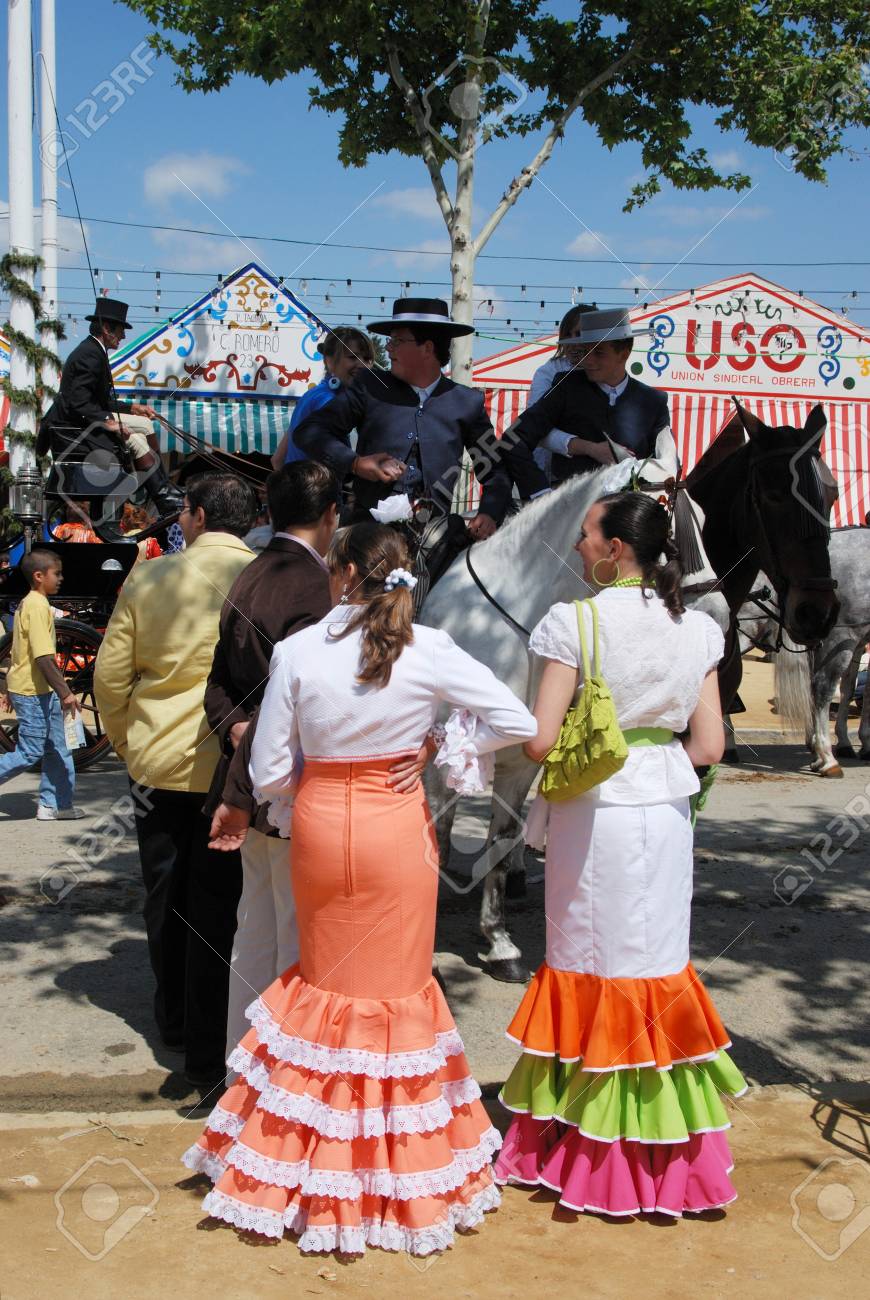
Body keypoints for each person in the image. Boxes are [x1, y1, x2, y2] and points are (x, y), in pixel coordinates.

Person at [184, 522, 538, 1256]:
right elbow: (518, 720)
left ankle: (302, 1169)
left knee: (321, 986)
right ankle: (393, 1177)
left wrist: (320, 777)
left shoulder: (298, 651)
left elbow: (273, 771)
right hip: (396, 828)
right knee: (396, 991)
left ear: (342, 572)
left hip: (319, 825)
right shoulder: (428, 647)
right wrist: (440, 743)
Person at [493, 491, 746, 1216]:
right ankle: (668, 1158)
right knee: (655, 963)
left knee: (588, 962)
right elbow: (709, 747)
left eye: (584, 535)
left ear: (613, 549)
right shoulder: (698, 630)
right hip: (665, 807)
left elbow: (540, 741)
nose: (576, 546)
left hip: (593, 810)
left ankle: (581, 1146)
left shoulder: (570, 622)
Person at [94, 474, 257, 1088]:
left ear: (196, 514)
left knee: (165, 894)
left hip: (157, 765)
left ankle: (174, 1018)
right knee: (227, 901)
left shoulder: (150, 576)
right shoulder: (263, 578)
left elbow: (111, 679)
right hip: (238, 772)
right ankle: (219, 1024)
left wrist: (127, 739)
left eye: (183, 512)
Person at [293, 297, 544, 538]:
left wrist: (489, 513)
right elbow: (310, 432)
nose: (388, 348)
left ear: (427, 348)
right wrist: (356, 463)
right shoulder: (369, 386)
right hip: (365, 533)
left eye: (397, 341)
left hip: (434, 538)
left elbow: (495, 470)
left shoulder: (466, 402)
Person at [39, 296, 183, 518]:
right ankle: (162, 496)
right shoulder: (90, 355)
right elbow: (79, 403)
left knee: (145, 423)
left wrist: (133, 408)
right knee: (135, 441)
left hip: (84, 419)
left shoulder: (94, 351)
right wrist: (110, 424)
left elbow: (101, 400)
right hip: (76, 428)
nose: (124, 336)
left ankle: (164, 487)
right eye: (121, 330)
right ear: (106, 328)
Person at [514, 308, 671, 485]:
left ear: (624, 354)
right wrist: (589, 449)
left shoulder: (654, 401)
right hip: (569, 500)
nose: (588, 360)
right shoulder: (564, 384)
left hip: (626, 506)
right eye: (586, 351)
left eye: (599, 353)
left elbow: (663, 462)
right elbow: (524, 431)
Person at [0, 549, 83, 820]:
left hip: (36, 689)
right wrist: (66, 692)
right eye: (56, 573)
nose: (60, 578)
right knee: (31, 750)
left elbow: (17, 649)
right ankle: (55, 803)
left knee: (58, 746)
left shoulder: (32, 603)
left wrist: (10, 683)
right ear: (39, 576)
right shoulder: (36, 605)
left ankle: (55, 804)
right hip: (33, 691)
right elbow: (44, 657)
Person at [271, 326, 375, 470]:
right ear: (329, 360)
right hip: (318, 491)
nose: (363, 365)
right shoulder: (329, 401)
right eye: (353, 357)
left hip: (296, 488)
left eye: (367, 359)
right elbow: (342, 467)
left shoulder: (311, 395)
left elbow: (277, 459)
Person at [526, 304, 596, 482]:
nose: (572, 342)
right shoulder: (549, 372)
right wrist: (586, 446)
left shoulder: (603, 371)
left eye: (579, 334)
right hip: (549, 472)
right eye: (567, 335)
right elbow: (535, 425)